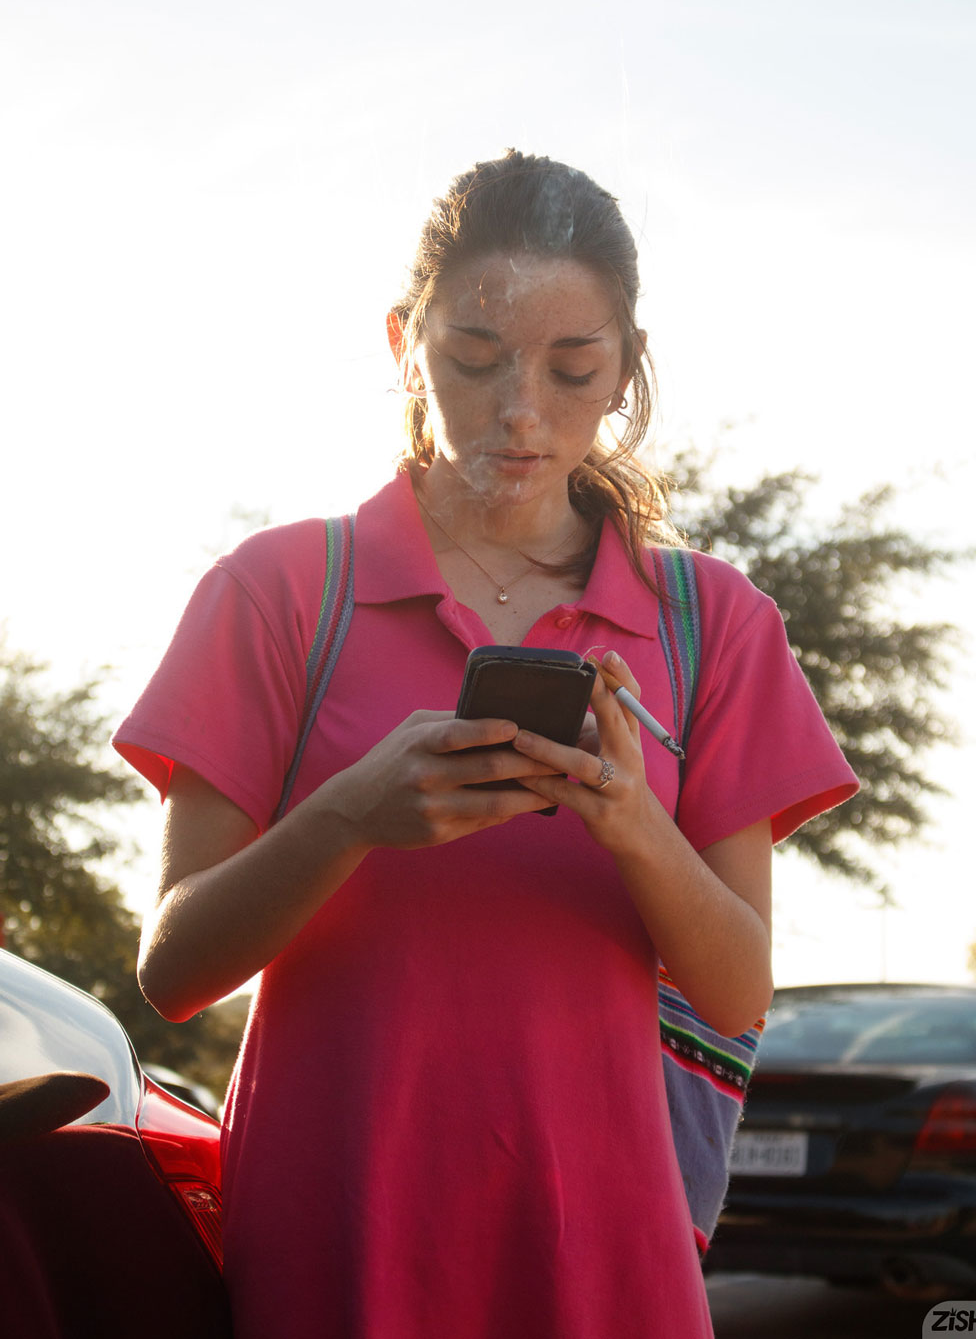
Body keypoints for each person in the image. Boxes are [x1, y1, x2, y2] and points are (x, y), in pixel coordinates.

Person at [115, 150, 858, 1339]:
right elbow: (173, 968)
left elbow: (735, 989)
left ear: (625, 373)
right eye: (475, 358)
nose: (521, 412)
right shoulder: (279, 592)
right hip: (340, 1230)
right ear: (403, 339)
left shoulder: (713, 621)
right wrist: (348, 816)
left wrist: (632, 822)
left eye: (573, 371)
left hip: (606, 1241)